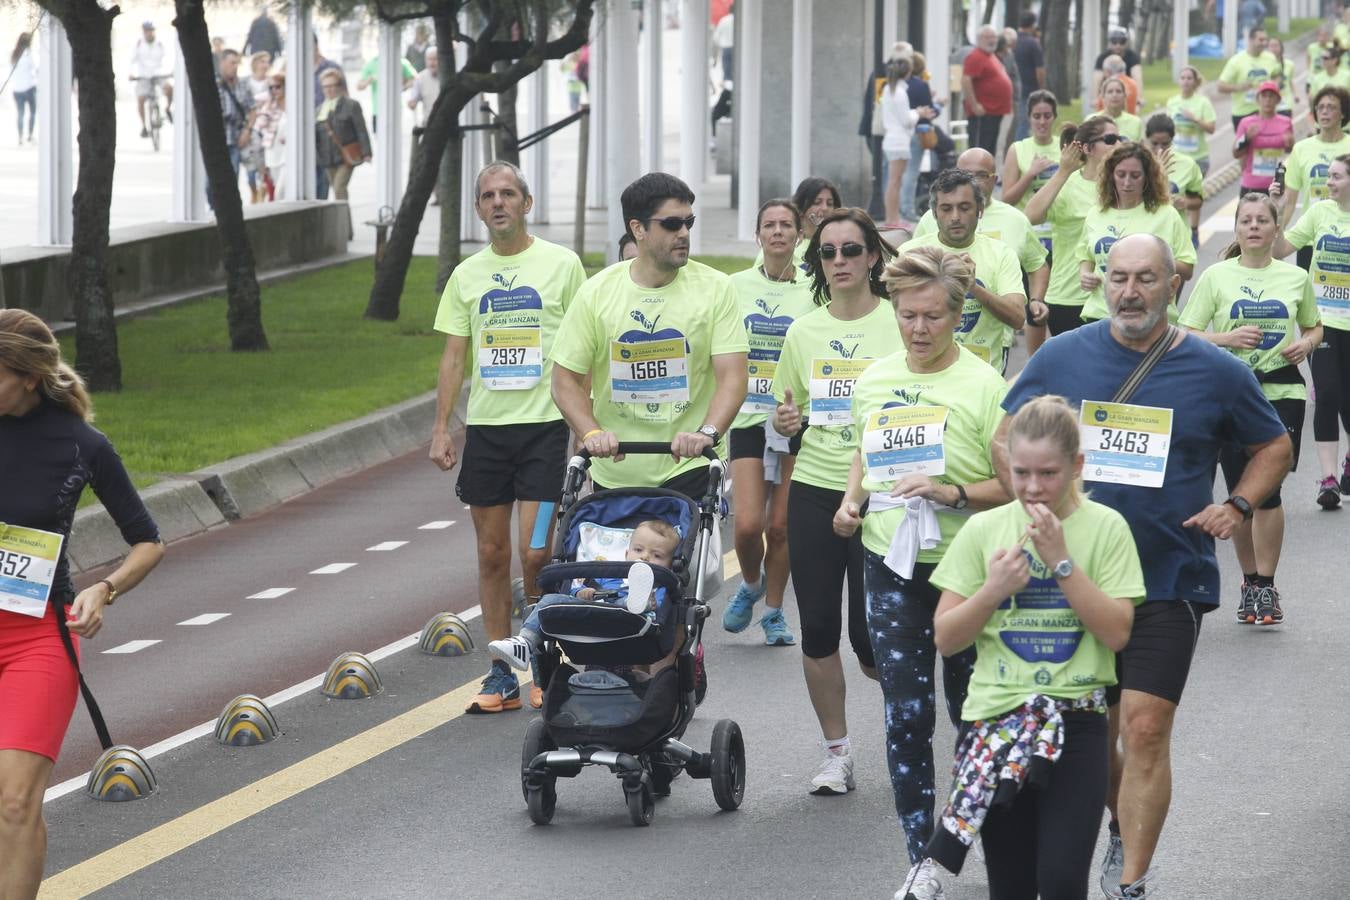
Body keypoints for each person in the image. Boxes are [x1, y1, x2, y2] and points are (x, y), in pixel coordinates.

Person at [998, 234, 1292, 900]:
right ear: (1103, 283)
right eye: (1119, 278)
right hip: (1073, 577)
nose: (1130, 291)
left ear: (1173, 286)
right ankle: (1120, 827)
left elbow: (1273, 442)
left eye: (1146, 279)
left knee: (1146, 726)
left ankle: (1132, 881)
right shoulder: (1062, 355)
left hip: (1169, 575)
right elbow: (1004, 430)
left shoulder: (1215, 369)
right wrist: (1029, 507)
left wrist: (1240, 504)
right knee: (1096, 737)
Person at [833, 245, 1008, 900]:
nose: (920, 329)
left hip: (966, 570)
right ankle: (921, 861)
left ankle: (962, 839)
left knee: (969, 714)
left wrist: (952, 492)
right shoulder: (875, 379)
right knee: (906, 715)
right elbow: (864, 451)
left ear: (957, 316)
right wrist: (852, 502)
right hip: (889, 560)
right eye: (908, 316)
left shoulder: (986, 386)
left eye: (933, 316)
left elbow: (1015, 485)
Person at [923, 395, 1143, 900]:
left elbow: (1117, 634)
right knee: (1013, 885)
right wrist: (993, 590)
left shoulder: (1108, 527)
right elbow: (947, 636)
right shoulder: (984, 529)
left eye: (1048, 473)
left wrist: (1062, 562)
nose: (1033, 487)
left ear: (1076, 466)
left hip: (1078, 721)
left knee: (1063, 881)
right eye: (1021, 473)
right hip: (996, 721)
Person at [0, 310, 165, 899]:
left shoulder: (81, 444)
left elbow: (148, 541)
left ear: (26, 376)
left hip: (37, 639)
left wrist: (105, 588)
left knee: (16, 800)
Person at [432, 161, 587, 714]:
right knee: (493, 554)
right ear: (478, 209)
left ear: (528, 202)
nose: (498, 203)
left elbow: (583, 346)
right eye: (488, 196)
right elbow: (454, 356)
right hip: (488, 435)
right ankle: (501, 672)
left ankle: (545, 659)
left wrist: (583, 425)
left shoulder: (562, 265)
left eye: (508, 194)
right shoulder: (466, 276)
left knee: (537, 554)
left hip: (545, 430)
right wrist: (442, 429)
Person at [770, 207, 897, 796]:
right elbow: (790, 421)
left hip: (884, 492)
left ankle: (905, 719)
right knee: (819, 627)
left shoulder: (900, 325)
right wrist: (788, 421)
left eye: (851, 250)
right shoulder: (803, 331)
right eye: (828, 253)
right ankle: (837, 752)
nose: (840, 261)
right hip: (816, 487)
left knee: (870, 637)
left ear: (873, 255)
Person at [550, 171, 748, 502]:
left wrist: (707, 433)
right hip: (617, 468)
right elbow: (563, 380)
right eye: (672, 224)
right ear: (638, 228)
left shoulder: (716, 288)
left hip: (689, 465)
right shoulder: (596, 293)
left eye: (689, 223)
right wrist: (591, 432)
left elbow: (734, 377)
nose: (684, 233)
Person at [1179, 193, 1320, 625]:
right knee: (1241, 492)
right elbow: (1187, 332)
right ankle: (1249, 581)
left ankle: (1265, 585)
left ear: (1277, 229)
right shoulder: (1217, 276)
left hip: (1282, 393)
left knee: (1269, 491)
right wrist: (1229, 339)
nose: (1254, 226)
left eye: (1262, 220)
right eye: (1246, 220)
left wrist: (1305, 344)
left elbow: (1315, 326)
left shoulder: (1295, 278)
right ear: (1237, 230)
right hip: (1230, 395)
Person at [721, 200, 816, 647]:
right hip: (747, 416)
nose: (778, 232)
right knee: (746, 527)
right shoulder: (732, 286)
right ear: (758, 235)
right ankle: (752, 583)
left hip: (797, 418)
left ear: (799, 235)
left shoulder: (816, 289)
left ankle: (774, 612)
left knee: (781, 526)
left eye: (786, 225)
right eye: (769, 225)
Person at [488, 520, 679, 671]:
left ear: (670, 566)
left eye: (657, 556)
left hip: (634, 622)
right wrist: (581, 593)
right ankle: (524, 643)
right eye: (638, 550)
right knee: (549, 601)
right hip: (593, 613)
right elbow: (575, 593)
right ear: (627, 553)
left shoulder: (660, 585)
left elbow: (661, 609)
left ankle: (638, 602)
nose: (644, 557)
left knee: (639, 604)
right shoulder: (607, 577)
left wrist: (649, 602)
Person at [1272, 153, 1350, 509]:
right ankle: (1329, 479)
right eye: (1328, 176)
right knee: (1328, 394)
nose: (1328, 182)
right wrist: (1276, 210)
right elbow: (1281, 249)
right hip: (1324, 323)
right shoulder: (1319, 213)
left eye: (1335, 176)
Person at [907, 167, 1028, 372]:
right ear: (935, 213)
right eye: (946, 209)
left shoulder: (1001, 254)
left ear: (979, 210)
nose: (955, 217)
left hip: (982, 375)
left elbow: (1017, 318)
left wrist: (974, 287)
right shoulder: (909, 254)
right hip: (925, 373)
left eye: (964, 208)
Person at [1077, 142, 1197, 324]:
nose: (1127, 182)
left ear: (1147, 178)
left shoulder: (1166, 214)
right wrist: (1085, 274)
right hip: (1101, 314)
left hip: (1149, 317)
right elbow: (1086, 255)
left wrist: (1152, 260)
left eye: (1135, 176)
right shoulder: (1096, 213)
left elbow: (1187, 268)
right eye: (1120, 174)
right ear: (1110, 176)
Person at [1025, 116, 1120, 335]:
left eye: (1119, 138)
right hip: (1069, 296)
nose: (1119, 144)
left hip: (1112, 297)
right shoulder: (1066, 185)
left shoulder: (1124, 185)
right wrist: (1063, 171)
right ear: (1088, 148)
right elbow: (1030, 215)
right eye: (1111, 139)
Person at [1279, 85, 1350, 259]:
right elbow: (1289, 200)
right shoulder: (1301, 149)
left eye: (1331, 107)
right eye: (1320, 107)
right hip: (1310, 237)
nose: (1324, 112)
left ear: (1342, 114)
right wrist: (1277, 234)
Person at [882, 56, 935, 228]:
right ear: (908, 72)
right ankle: (893, 219)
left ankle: (893, 217)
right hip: (899, 141)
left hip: (892, 138)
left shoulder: (888, 90)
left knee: (894, 181)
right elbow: (906, 120)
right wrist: (918, 113)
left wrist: (914, 113)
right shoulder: (899, 92)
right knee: (895, 181)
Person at [1145, 114, 1206, 246]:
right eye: (1154, 143)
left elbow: (1198, 201)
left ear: (1173, 140)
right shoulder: (1136, 164)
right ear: (1146, 139)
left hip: (1177, 239)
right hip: (1145, 238)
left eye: (1165, 144)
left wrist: (1185, 202)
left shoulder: (1187, 165)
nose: (1159, 149)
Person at [315, 70, 371, 205]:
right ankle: (343, 221)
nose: (329, 89)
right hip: (327, 157)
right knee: (336, 189)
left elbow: (361, 129)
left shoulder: (351, 105)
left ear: (339, 86)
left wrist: (366, 152)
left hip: (347, 156)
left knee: (340, 188)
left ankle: (342, 222)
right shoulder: (318, 109)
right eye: (325, 86)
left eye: (332, 85)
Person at [1233, 80, 1294, 195]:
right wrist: (1246, 138)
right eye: (1264, 96)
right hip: (1251, 185)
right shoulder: (1246, 123)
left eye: (1271, 96)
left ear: (1278, 100)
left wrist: (1289, 144)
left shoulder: (1286, 122)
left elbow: (1289, 151)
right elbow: (1236, 153)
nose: (1267, 100)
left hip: (1276, 185)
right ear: (1258, 99)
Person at [962, 25, 1012, 156]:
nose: (992, 40)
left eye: (994, 37)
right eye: (988, 37)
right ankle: (976, 176)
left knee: (989, 150)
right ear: (978, 39)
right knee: (980, 152)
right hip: (983, 115)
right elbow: (966, 80)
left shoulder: (990, 55)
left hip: (994, 112)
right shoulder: (975, 56)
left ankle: (987, 175)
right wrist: (974, 105)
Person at [1218, 25, 1280, 131]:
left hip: (1264, 110)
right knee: (1244, 147)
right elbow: (1220, 86)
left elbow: (1276, 74)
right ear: (1251, 40)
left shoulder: (1270, 58)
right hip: (1243, 112)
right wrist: (1239, 87)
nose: (1264, 43)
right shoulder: (1236, 61)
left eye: (1266, 40)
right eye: (1260, 40)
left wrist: (1274, 85)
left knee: (1267, 144)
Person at [214, 50, 255, 205]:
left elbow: (253, 109)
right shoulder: (213, 84)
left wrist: (247, 130)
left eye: (237, 63)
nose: (235, 67)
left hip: (235, 139)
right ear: (222, 64)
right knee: (210, 184)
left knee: (232, 179)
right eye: (232, 63)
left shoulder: (243, 85)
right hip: (216, 140)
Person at [1166, 66, 1218, 175]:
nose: (1186, 81)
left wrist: (1195, 119)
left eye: (1189, 78)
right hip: (1177, 157)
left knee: (1192, 192)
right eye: (1182, 78)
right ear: (1178, 81)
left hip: (1198, 158)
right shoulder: (1172, 102)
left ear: (1195, 82)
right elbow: (1168, 129)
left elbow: (1212, 129)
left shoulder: (1203, 102)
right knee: (1177, 191)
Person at [130, 21, 174, 139]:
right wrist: (132, 74)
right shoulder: (138, 44)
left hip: (159, 74)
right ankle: (144, 126)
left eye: (151, 31)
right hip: (143, 75)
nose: (149, 33)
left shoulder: (160, 43)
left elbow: (168, 58)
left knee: (169, 89)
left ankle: (168, 108)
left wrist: (170, 71)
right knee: (141, 98)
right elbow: (132, 61)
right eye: (147, 31)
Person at [356, 53, 416, 133]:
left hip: (395, 108)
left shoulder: (401, 62)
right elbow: (359, 86)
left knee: (394, 134)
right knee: (378, 137)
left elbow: (415, 79)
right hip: (377, 109)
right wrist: (369, 80)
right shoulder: (371, 63)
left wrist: (403, 87)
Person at [243, 52, 272, 204]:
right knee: (250, 164)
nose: (265, 65)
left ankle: (263, 191)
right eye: (262, 62)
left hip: (266, 128)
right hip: (251, 126)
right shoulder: (246, 83)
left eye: (267, 62)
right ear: (254, 64)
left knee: (265, 165)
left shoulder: (272, 83)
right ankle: (253, 191)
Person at [1012, 11, 1045, 141]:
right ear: (1032, 25)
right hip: (1029, 88)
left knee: (1015, 122)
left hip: (1012, 88)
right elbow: (1040, 70)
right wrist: (1041, 87)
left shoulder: (1013, 42)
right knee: (1024, 123)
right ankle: (1019, 150)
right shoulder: (1033, 43)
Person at [253, 72, 286, 200]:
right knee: (277, 190)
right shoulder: (269, 107)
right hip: (272, 155)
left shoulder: (294, 106)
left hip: (288, 156)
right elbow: (259, 128)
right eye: (271, 88)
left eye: (278, 87)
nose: (274, 90)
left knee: (280, 192)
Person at [1093, 28, 1144, 97]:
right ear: (1110, 43)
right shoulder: (1102, 57)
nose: (1118, 45)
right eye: (1114, 42)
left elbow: (1137, 76)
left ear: (1126, 43)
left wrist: (1139, 97)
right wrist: (1095, 98)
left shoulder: (1132, 56)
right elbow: (1097, 79)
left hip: (1127, 91)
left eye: (1122, 42)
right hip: (1107, 92)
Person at [9, 33, 34, 146]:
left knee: (20, 113)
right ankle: (30, 135)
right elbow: (34, 70)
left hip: (17, 89)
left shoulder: (14, 54)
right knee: (32, 112)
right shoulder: (28, 54)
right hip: (29, 87)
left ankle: (20, 137)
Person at [1099, 76, 1142, 142]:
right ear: (1103, 96)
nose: (1114, 95)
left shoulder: (1136, 122)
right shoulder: (1091, 119)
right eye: (1110, 92)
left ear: (1125, 96)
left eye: (1118, 91)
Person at [407, 46, 440, 126]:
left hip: (448, 125)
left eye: (435, 59)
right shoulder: (420, 78)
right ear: (426, 60)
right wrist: (411, 103)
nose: (432, 63)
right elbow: (413, 99)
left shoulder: (448, 76)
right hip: (429, 124)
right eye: (429, 59)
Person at [1268, 36, 1297, 116]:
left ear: (1281, 47)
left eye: (1276, 45)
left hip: (1285, 103)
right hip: (1269, 103)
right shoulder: (1264, 64)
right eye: (1271, 46)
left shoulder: (1289, 64)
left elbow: (1290, 80)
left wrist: (1296, 95)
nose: (1274, 48)